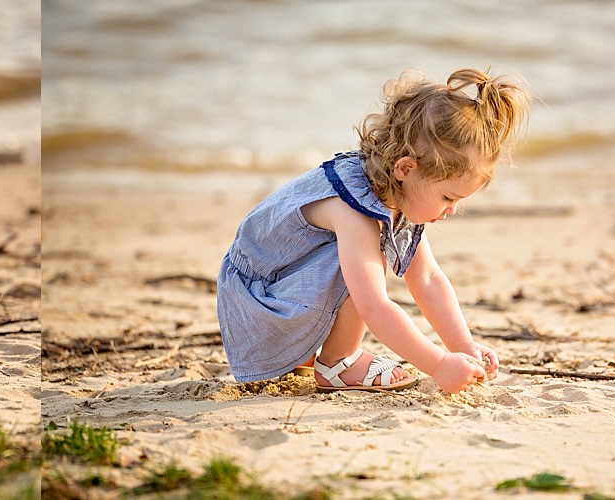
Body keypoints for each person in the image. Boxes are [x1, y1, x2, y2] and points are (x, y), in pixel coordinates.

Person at [217, 68, 529, 393]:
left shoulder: (394, 192)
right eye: (448, 197)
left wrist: (464, 346)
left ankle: (309, 351)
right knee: (369, 259)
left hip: (282, 295)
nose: (451, 210)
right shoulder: (354, 208)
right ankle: (339, 362)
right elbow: (374, 305)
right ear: (406, 169)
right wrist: (437, 365)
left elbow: (427, 279)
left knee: (366, 256)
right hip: (257, 309)